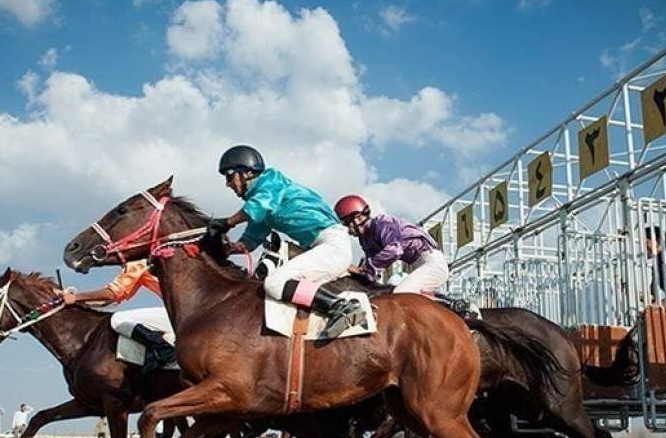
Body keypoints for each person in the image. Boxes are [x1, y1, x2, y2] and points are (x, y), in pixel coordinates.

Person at [208, 145, 364, 338]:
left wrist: (227, 223)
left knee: (275, 283)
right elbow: (249, 240)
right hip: (323, 247)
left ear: (246, 173)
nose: (228, 184)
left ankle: (343, 308)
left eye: (229, 177)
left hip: (331, 244)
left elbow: (257, 207)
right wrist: (225, 249)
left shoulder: (271, 181)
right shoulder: (262, 205)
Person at [59, 260, 176, 371]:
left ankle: (164, 349)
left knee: (119, 319)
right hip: (182, 311)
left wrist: (76, 297)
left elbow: (112, 293)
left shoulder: (137, 263)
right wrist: (77, 300)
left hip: (177, 313)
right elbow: (111, 299)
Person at [334, 194, 449, 295]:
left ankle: (451, 305)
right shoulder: (365, 240)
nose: (348, 231)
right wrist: (358, 273)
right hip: (417, 265)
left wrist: (365, 268)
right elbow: (372, 274)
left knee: (401, 293)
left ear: (358, 218)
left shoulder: (383, 223)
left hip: (432, 261)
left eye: (347, 224)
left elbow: (394, 250)